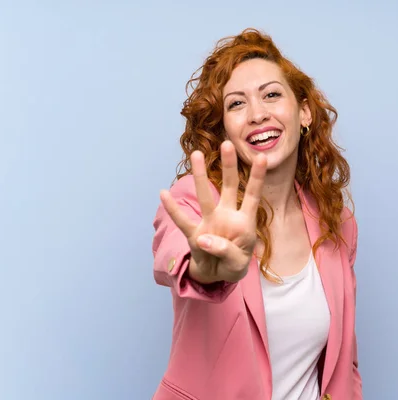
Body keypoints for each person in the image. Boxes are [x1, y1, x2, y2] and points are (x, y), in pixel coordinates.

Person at [151, 28, 362, 400]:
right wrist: (206, 271)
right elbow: (174, 256)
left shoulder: (337, 222)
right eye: (236, 104)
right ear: (224, 132)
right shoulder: (197, 203)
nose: (257, 114)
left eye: (272, 95)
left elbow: (344, 367)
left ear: (305, 113)